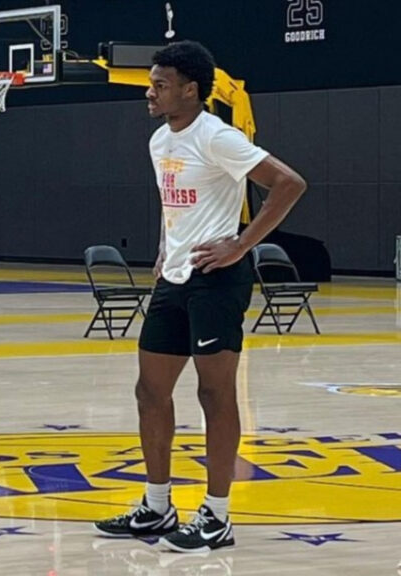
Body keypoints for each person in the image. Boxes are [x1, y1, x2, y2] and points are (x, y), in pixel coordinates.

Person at [93, 41, 306, 552]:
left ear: (190, 90)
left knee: (214, 395)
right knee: (149, 392)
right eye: (151, 82)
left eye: (160, 84)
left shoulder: (218, 136)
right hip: (175, 278)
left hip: (218, 279)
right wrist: (167, 249)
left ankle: (217, 514)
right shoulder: (158, 141)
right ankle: (157, 506)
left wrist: (241, 244)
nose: (150, 91)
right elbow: (175, 206)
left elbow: (289, 183)